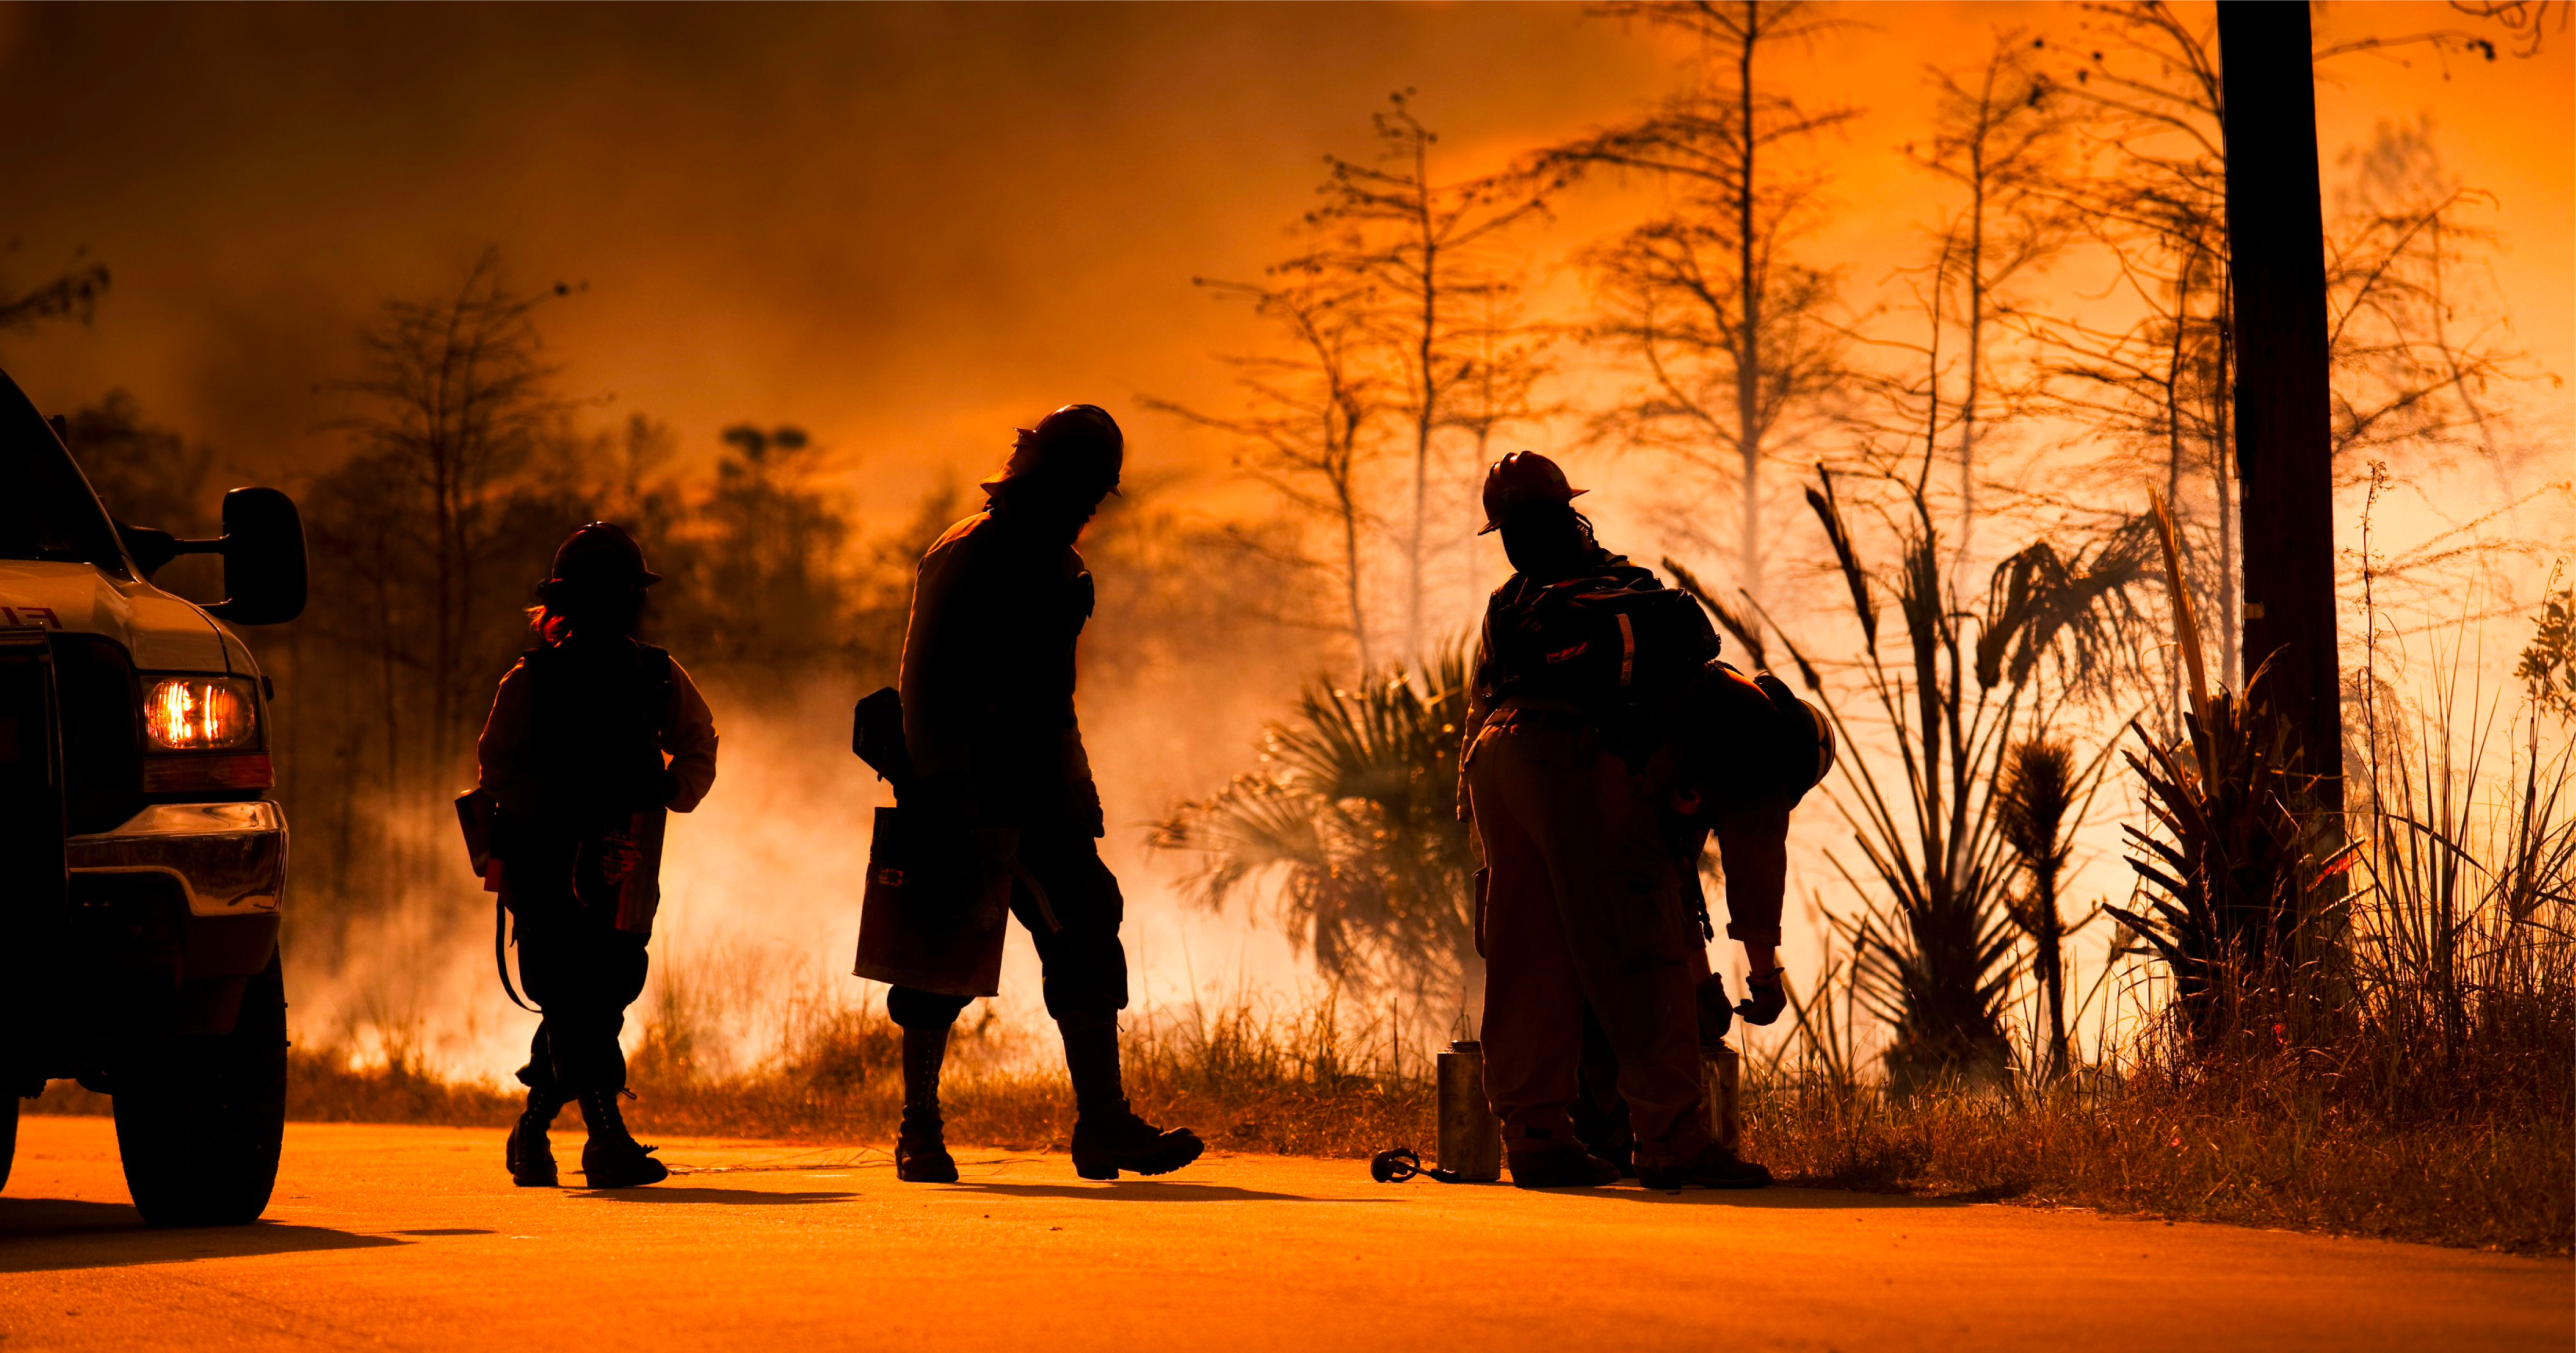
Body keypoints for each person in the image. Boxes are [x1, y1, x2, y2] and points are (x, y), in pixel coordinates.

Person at [882, 403, 1202, 1183]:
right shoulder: (976, 554)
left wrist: (1074, 784)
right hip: (968, 786)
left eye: (1097, 494)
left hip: (1033, 785)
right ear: (1046, 481)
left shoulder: (1051, 561)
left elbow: (1053, 697)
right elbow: (925, 681)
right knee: (939, 952)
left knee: (1089, 920)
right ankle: (920, 1128)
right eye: (1082, 489)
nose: (1089, 507)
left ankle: (1102, 1125)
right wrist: (944, 791)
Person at [1459, 451, 1771, 1190]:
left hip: (1497, 761)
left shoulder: (1510, 605)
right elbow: (1691, 667)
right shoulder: (1633, 591)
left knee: (1525, 951)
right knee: (1639, 943)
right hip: (1576, 759)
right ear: (1573, 511)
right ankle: (1672, 1138)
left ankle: (1535, 1134)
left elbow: (1478, 707)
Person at [477, 522, 718, 1189]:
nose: (617, 606)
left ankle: (532, 1130)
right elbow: (497, 768)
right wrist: (553, 811)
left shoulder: (657, 676)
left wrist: (670, 788)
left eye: (623, 593)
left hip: (627, 867)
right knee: (571, 997)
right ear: (571, 602)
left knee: (595, 1001)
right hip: (547, 870)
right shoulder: (530, 682)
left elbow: (699, 745)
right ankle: (605, 1140)